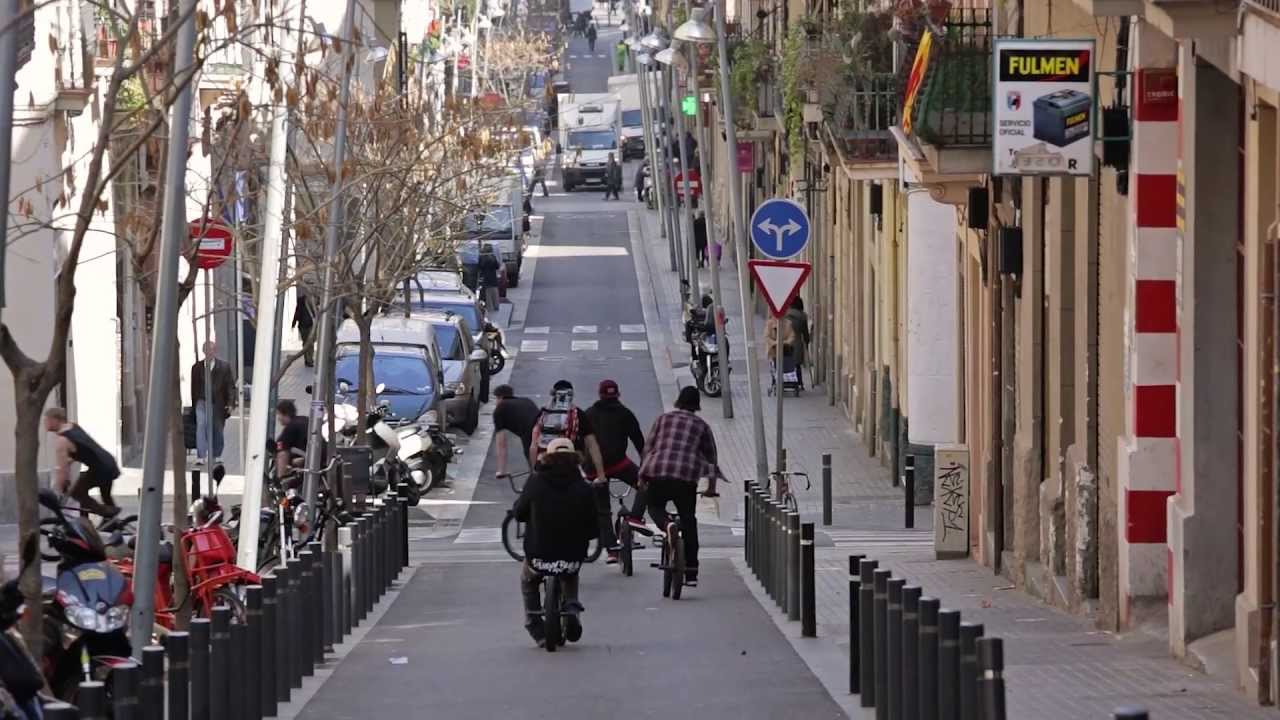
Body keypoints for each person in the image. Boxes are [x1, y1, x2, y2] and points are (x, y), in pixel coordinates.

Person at [512, 437, 598, 646]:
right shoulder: (585, 488)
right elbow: (594, 527)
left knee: (528, 581)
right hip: (571, 557)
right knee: (570, 574)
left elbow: (519, 512)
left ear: (547, 458)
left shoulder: (535, 482)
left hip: (538, 556)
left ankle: (534, 625)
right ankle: (572, 608)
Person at [638, 386, 721, 585]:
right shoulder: (702, 426)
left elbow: (648, 448)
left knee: (655, 506)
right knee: (689, 520)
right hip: (686, 477)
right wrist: (711, 487)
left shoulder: (663, 419)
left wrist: (642, 474)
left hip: (658, 472)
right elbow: (711, 459)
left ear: (679, 401)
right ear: (697, 405)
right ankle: (691, 573)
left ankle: (667, 525)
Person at [528, 380, 616, 561]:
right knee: (587, 503)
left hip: (544, 468)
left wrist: (534, 472)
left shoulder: (542, 414)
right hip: (572, 469)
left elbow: (533, 446)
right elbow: (593, 446)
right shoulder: (578, 415)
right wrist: (601, 475)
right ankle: (606, 546)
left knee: (535, 506)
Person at [584, 380, 648, 533]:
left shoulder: (588, 414)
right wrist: (645, 470)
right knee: (646, 486)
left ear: (600, 395)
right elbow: (640, 443)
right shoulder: (625, 413)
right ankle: (635, 518)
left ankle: (611, 552)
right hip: (619, 464)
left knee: (603, 510)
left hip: (593, 470)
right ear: (618, 395)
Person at [44, 407, 121, 519]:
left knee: (77, 492)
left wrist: (58, 490)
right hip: (108, 462)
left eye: (47, 420)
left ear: (56, 420)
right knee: (104, 497)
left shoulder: (62, 440)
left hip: (101, 469)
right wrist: (69, 462)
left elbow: (62, 469)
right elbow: (83, 448)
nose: (45, 424)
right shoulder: (73, 426)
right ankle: (112, 524)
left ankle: (105, 514)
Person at [190, 340, 235, 466]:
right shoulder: (196, 368)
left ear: (215, 351)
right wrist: (195, 404)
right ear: (204, 351)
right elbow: (193, 387)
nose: (210, 352)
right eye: (208, 350)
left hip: (218, 403)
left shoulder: (224, 367)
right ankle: (201, 455)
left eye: (213, 350)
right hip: (202, 402)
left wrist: (230, 404)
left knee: (217, 428)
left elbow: (230, 386)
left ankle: (216, 454)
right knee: (201, 425)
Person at [493, 384, 541, 478]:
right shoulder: (527, 400)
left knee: (534, 470)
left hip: (529, 432)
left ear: (500, 397)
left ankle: (537, 481)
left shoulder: (500, 409)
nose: (496, 403)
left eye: (496, 399)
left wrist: (501, 471)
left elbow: (501, 444)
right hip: (542, 427)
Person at [274, 399, 309, 483]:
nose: (278, 418)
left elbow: (282, 453)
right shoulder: (305, 420)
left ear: (285, 414)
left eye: (278, 414)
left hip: (307, 465)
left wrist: (280, 479)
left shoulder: (291, 427)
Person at [786, 297, 812, 386]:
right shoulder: (802, 316)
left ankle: (787, 380)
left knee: (787, 361)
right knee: (797, 364)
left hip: (786, 341)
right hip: (797, 342)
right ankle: (799, 382)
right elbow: (805, 332)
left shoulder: (785, 314)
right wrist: (807, 341)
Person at [292, 290, 315, 367]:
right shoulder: (301, 300)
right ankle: (307, 359)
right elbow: (297, 312)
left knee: (310, 343)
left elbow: (316, 312)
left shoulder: (314, 300)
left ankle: (310, 359)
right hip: (302, 325)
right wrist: (293, 323)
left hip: (310, 325)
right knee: (305, 343)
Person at [477, 244, 502, 313]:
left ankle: (490, 308)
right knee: (495, 293)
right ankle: (496, 306)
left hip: (485, 279)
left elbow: (479, 267)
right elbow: (497, 266)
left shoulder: (482, 258)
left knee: (488, 295)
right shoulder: (493, 257)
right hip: (493, 278)